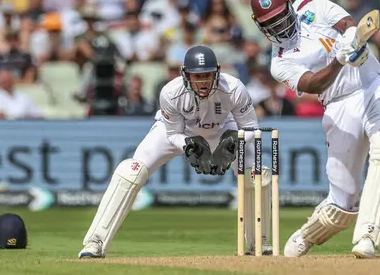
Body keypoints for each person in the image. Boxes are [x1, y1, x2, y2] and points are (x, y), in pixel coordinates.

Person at [249, 0, 380, 259]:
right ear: (260, 26)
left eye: (280, 17)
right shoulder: (279, 62)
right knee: (342, 203)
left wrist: (351, 39)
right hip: (338, 106)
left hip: (373, 85)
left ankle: (368, 236)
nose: (278, 26)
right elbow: (313, 83)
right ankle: (306, 235)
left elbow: (348, 24)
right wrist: (339, 60)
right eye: (269, 24)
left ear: (289, 6)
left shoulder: (310, 2)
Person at [78, 45, 271, 258]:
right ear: (185, 75)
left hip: (223, 129)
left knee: (257, 174)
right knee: (131, 172)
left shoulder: (234, 88)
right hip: (179, 132)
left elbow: (252, 128)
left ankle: (259, 243)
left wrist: (233, 142)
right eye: (196, 77)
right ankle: (94, 243)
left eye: (207, 75)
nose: (203, 82)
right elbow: (172, 134)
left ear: (217, 72)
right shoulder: (171, 92)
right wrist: (190, 145)